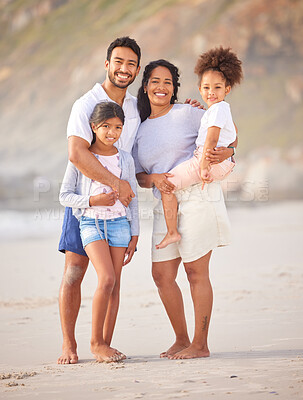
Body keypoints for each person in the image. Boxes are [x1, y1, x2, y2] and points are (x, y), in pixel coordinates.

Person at [132, 59, 236, 359]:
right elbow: (139, 176)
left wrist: (230, 151)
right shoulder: (139, 130)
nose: (161, 87)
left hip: (197, 196)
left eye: (167, 82)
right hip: (164, 202)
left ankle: (200, 344)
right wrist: (153, 178)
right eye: (155, 81)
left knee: (195, 271)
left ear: (174, 87)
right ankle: (181, 339)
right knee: (161, 275)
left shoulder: (189, 112)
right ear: (146, 85)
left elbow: (225, 134)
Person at [57, 36, 141, 364]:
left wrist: (192, 109)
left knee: (112, 280)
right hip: (86, 204)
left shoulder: (135, 108)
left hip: (119, 212)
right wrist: (115, 185)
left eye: (131, 63)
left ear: (136, 69)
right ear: (107, 64)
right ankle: (69, 344)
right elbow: (77, 154)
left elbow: (130, 156)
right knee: (74, 271)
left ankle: (102, 343)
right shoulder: (85, 103)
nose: (124, 68)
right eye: (118, 61)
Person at [156, 47, 243, 249]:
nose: (210, 92)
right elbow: (233, 135)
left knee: (166, 184)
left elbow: (211, 140)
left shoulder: (218, 109)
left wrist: (204, 167)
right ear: (200, 88)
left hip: (208, 160)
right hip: (220, 162)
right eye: (206, 88)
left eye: (217, 88)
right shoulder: (217, 110)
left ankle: (171, 232)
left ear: (227, 89)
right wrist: (205, 112)